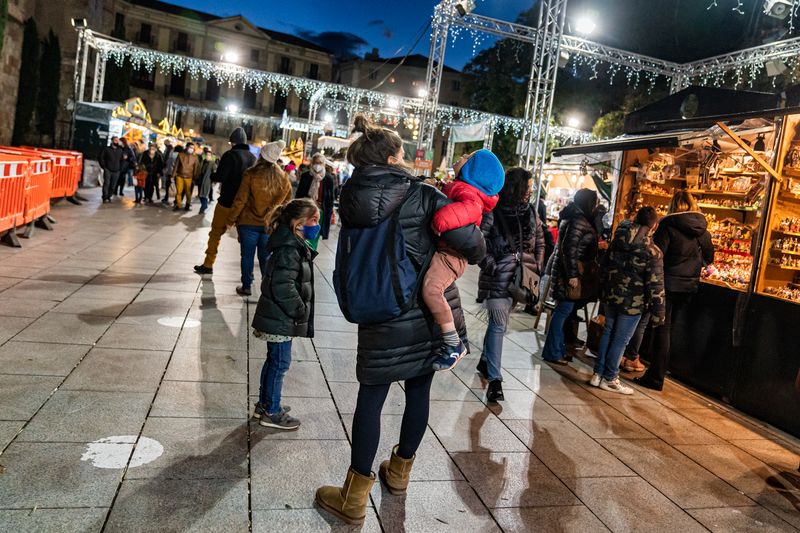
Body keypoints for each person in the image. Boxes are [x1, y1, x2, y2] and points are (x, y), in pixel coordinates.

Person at [315, 116, 485, 525]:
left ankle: (354, 495)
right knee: (417, 391)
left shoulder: (350, 194)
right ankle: (400, 473)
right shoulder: (422, 195)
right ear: (392, 157)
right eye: (403, 152)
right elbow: (471, 245)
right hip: (421, 313)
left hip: (376, 310)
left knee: (370, 399)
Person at [424, 149, 504, 372]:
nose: (462, 157)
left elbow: (465, 211)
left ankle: (453, 343)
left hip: (452, 256)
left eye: (468, 157)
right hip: (448, 251)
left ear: (473, 171)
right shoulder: (463, 188)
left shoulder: (471, 195)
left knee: (432, 290)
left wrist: (440, 220)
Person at [476, 167, 545, 401]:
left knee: (500, 326)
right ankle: (495, 380)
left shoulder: (531, 212)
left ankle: (485, 362)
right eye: (528, 185)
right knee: (498, 325)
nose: (531, 190)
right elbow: (478, 241)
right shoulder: (493, 211)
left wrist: (536, 265)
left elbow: (541, 243)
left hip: (521, 280)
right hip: (497, 278)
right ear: (518, 187)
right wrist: (492, 265)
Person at [251, 198, 320, 430]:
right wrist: (299, 310)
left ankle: (265, 403)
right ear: (297, 224)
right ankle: (271, 411)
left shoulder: (292, 244)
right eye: (313, 220)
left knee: (274, 361)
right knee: (280, 363)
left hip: (278, 316)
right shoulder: (289, 249)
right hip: (281, 317)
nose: (317, 225)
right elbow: (283, 286)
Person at [635, 191, 714, 391]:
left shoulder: (668, 226)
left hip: (667, 285)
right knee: (671, 329)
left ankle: (655, 377)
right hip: (688, 287)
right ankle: (661, 371)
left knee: (662, 330)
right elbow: (709, 256)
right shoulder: (702, 231)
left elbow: (658, 255)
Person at [590, 207, 665, 395]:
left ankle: (598, 374)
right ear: (654, 226)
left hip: (611, 294)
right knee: (621, 339)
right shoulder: (652, 251)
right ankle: (610, 378)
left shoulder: (617, 239)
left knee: (608, 332)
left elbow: (604, 264)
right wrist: (659, 313)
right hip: (633, 302)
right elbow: (656, 286)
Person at [227, 140, 293, 296]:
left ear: (261, 156)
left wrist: (230, 219)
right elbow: (287, 203)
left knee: (247, 256)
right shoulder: (283, 178)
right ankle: (267, 287)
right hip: (268, 225)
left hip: (248, 223)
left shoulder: (251, 174)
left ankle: (246, 286)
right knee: (265, 257)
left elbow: (240, 199)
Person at [542, 188, 599, 365]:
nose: (597, 205)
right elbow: (570, 248)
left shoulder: (574, 217)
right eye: (595, 202)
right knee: (563, 311)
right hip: (568, 274)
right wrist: (573, 275)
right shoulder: (578, 220)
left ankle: (558, 349)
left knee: (564, 311)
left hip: (564, 271)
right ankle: (552, 351)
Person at [193, 128, 257, 275]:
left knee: (215, 233)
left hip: (226, 202)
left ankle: (208, 264)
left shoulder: (230, 155)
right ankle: (247, 275)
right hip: (243, 206)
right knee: (245, 239)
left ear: (233, 142)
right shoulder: (253, 158)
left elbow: (221, 176)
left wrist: (213, 176)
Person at [296, 153, 336, 240]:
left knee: (314, 236)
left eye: (320, 163)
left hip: (320, 211)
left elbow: (330, 199)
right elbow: (299, 195)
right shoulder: (305, 176)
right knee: (302, 234)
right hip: (306, 210)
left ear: (324, 164)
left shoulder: (328, 178)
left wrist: (329, 213)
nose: (317, 165)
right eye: (315, 162)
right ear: (312, 163)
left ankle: (310, 252)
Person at [171, 142, 199, 211]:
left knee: (188, 192)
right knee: (179, 192)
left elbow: (196, 168)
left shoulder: (195, 157)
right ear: (186, 147)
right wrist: (172, 176)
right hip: (179, 176)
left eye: (192, 148)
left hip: (189, 177)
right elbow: (176, 166)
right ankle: (178, 205)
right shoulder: (180, 155)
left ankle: (187, 205)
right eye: (190, 147)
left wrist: (195, 177)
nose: (191, 149)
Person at [99, 136, 124, 203]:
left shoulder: (120, 150)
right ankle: (105, 197)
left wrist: (120, 168)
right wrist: (104, 166)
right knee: (106, 183)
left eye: (117, 140)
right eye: (115, 140)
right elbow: (101, 158)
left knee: (113, 185)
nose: (117, 142)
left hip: (117, 170)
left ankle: (109, 196)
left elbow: (122, 160)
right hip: (108, 169)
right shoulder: (106, 149)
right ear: (112, 141)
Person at [197, 147, 216, 215]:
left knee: (204, 195)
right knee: (200, 195)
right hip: (201, 180)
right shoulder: (203, 162)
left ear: (211, 156)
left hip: (207, 181)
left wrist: (213, 181)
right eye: (206, 155)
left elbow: (214, 173)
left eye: (209, 155)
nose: (207, 156)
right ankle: (204, 205)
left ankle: (203, 207)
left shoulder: (213, 163)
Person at [160, 139, 174, 204]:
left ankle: (166, 197)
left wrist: (165, 166)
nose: (164, 144)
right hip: (169, 169)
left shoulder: (169, 149)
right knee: (168, 184)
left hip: (169, 170)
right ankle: (166, 197)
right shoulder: (169, 149)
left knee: (168, 183)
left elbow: (167, 159)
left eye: (165, 143)